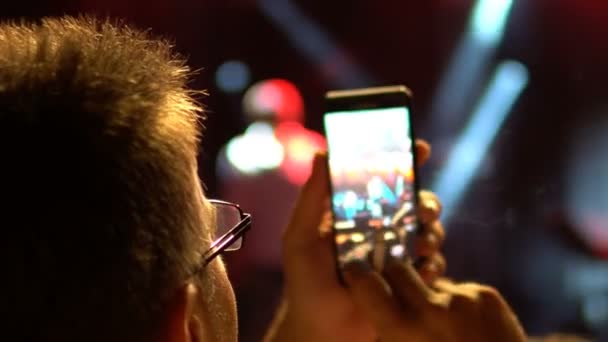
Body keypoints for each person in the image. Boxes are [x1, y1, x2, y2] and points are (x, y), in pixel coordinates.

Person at [0, 16, 526, 341]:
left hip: (263, 277)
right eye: (215, 233)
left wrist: (311, 328)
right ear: (182, 326)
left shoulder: (239, 152)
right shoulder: (309, 148)